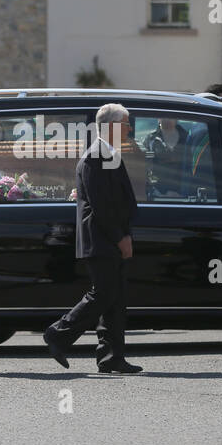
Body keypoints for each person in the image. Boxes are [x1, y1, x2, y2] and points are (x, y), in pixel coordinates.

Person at [43, 103, 142, 373]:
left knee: (115, 297)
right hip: (101, 239)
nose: (129, 129)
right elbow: (102, 205)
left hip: (110, 237)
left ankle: (112, 356)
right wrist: (120, 237)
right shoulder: (94, 157)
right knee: (104, 293)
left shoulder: (108, 154)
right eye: (125, 124)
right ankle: (58, 333)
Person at [143, 117, 189, 197]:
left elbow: (194, 170)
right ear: (158, 118)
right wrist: (159, 193)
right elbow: (144, 172)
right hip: (157, 198)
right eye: (163, 115)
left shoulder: (188, 138)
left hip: (188, 198)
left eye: (170, 116)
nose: (167, 118)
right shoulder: (150, 140)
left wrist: (184, 194)